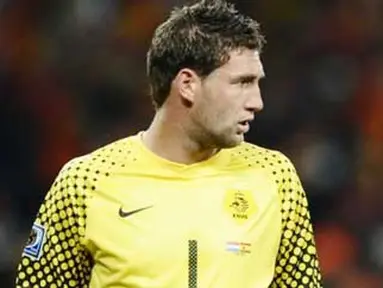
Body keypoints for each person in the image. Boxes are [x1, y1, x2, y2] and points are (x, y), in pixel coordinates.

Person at [16, 0, 322, 287]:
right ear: (188, 84)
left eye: (257, 83)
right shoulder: (85, 182)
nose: (257, 102)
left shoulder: (275, 177)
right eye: (242, 82)